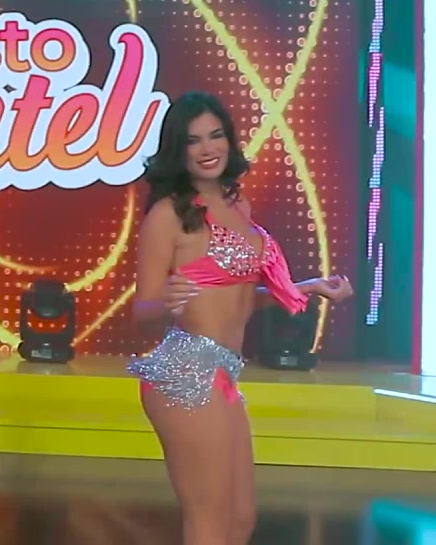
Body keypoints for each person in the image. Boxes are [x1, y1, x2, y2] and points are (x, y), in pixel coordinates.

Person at [128, 91, 353, 545]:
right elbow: (142, 311)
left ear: (229, 140)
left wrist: (307, 287)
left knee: (239, 522)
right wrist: (167, 304)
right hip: (185, 371)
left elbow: (239, 299)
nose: (207, 149)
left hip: (224, 371)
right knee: (209, 523)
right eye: (193, 141)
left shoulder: (238, 205)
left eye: (216, 136)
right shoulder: (168, 215)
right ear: (178, 149)